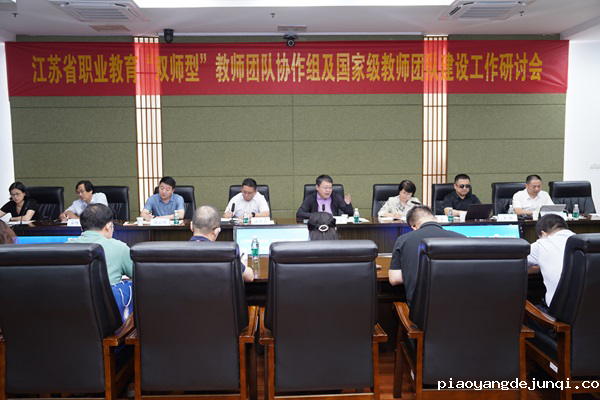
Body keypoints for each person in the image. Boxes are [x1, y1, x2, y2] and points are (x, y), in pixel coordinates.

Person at [388, 205, 464, 306]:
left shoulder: (403, 240)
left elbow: (395, 279)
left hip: (421, 312)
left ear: (413, 227)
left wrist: (413, 272)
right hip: (459, 308)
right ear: (436, 219)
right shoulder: (462, 238)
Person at [71, 203, 133, 320]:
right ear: (108, 226)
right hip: (106, 320)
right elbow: (138, 276)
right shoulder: (119, 247)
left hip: (71, 316)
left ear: (81, 228)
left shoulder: (65, 247)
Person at [189, 205, 254, 282]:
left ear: (191, 226)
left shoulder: (177, 251)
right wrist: (241, 263)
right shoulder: (227, 252)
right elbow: (249, 277)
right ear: (216, 231)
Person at [527, 214, 575, 308]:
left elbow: (515, 265)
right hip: (592, 309)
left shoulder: (542, 243)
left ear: (543, 234)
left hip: (560, 312)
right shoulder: (583, 241)